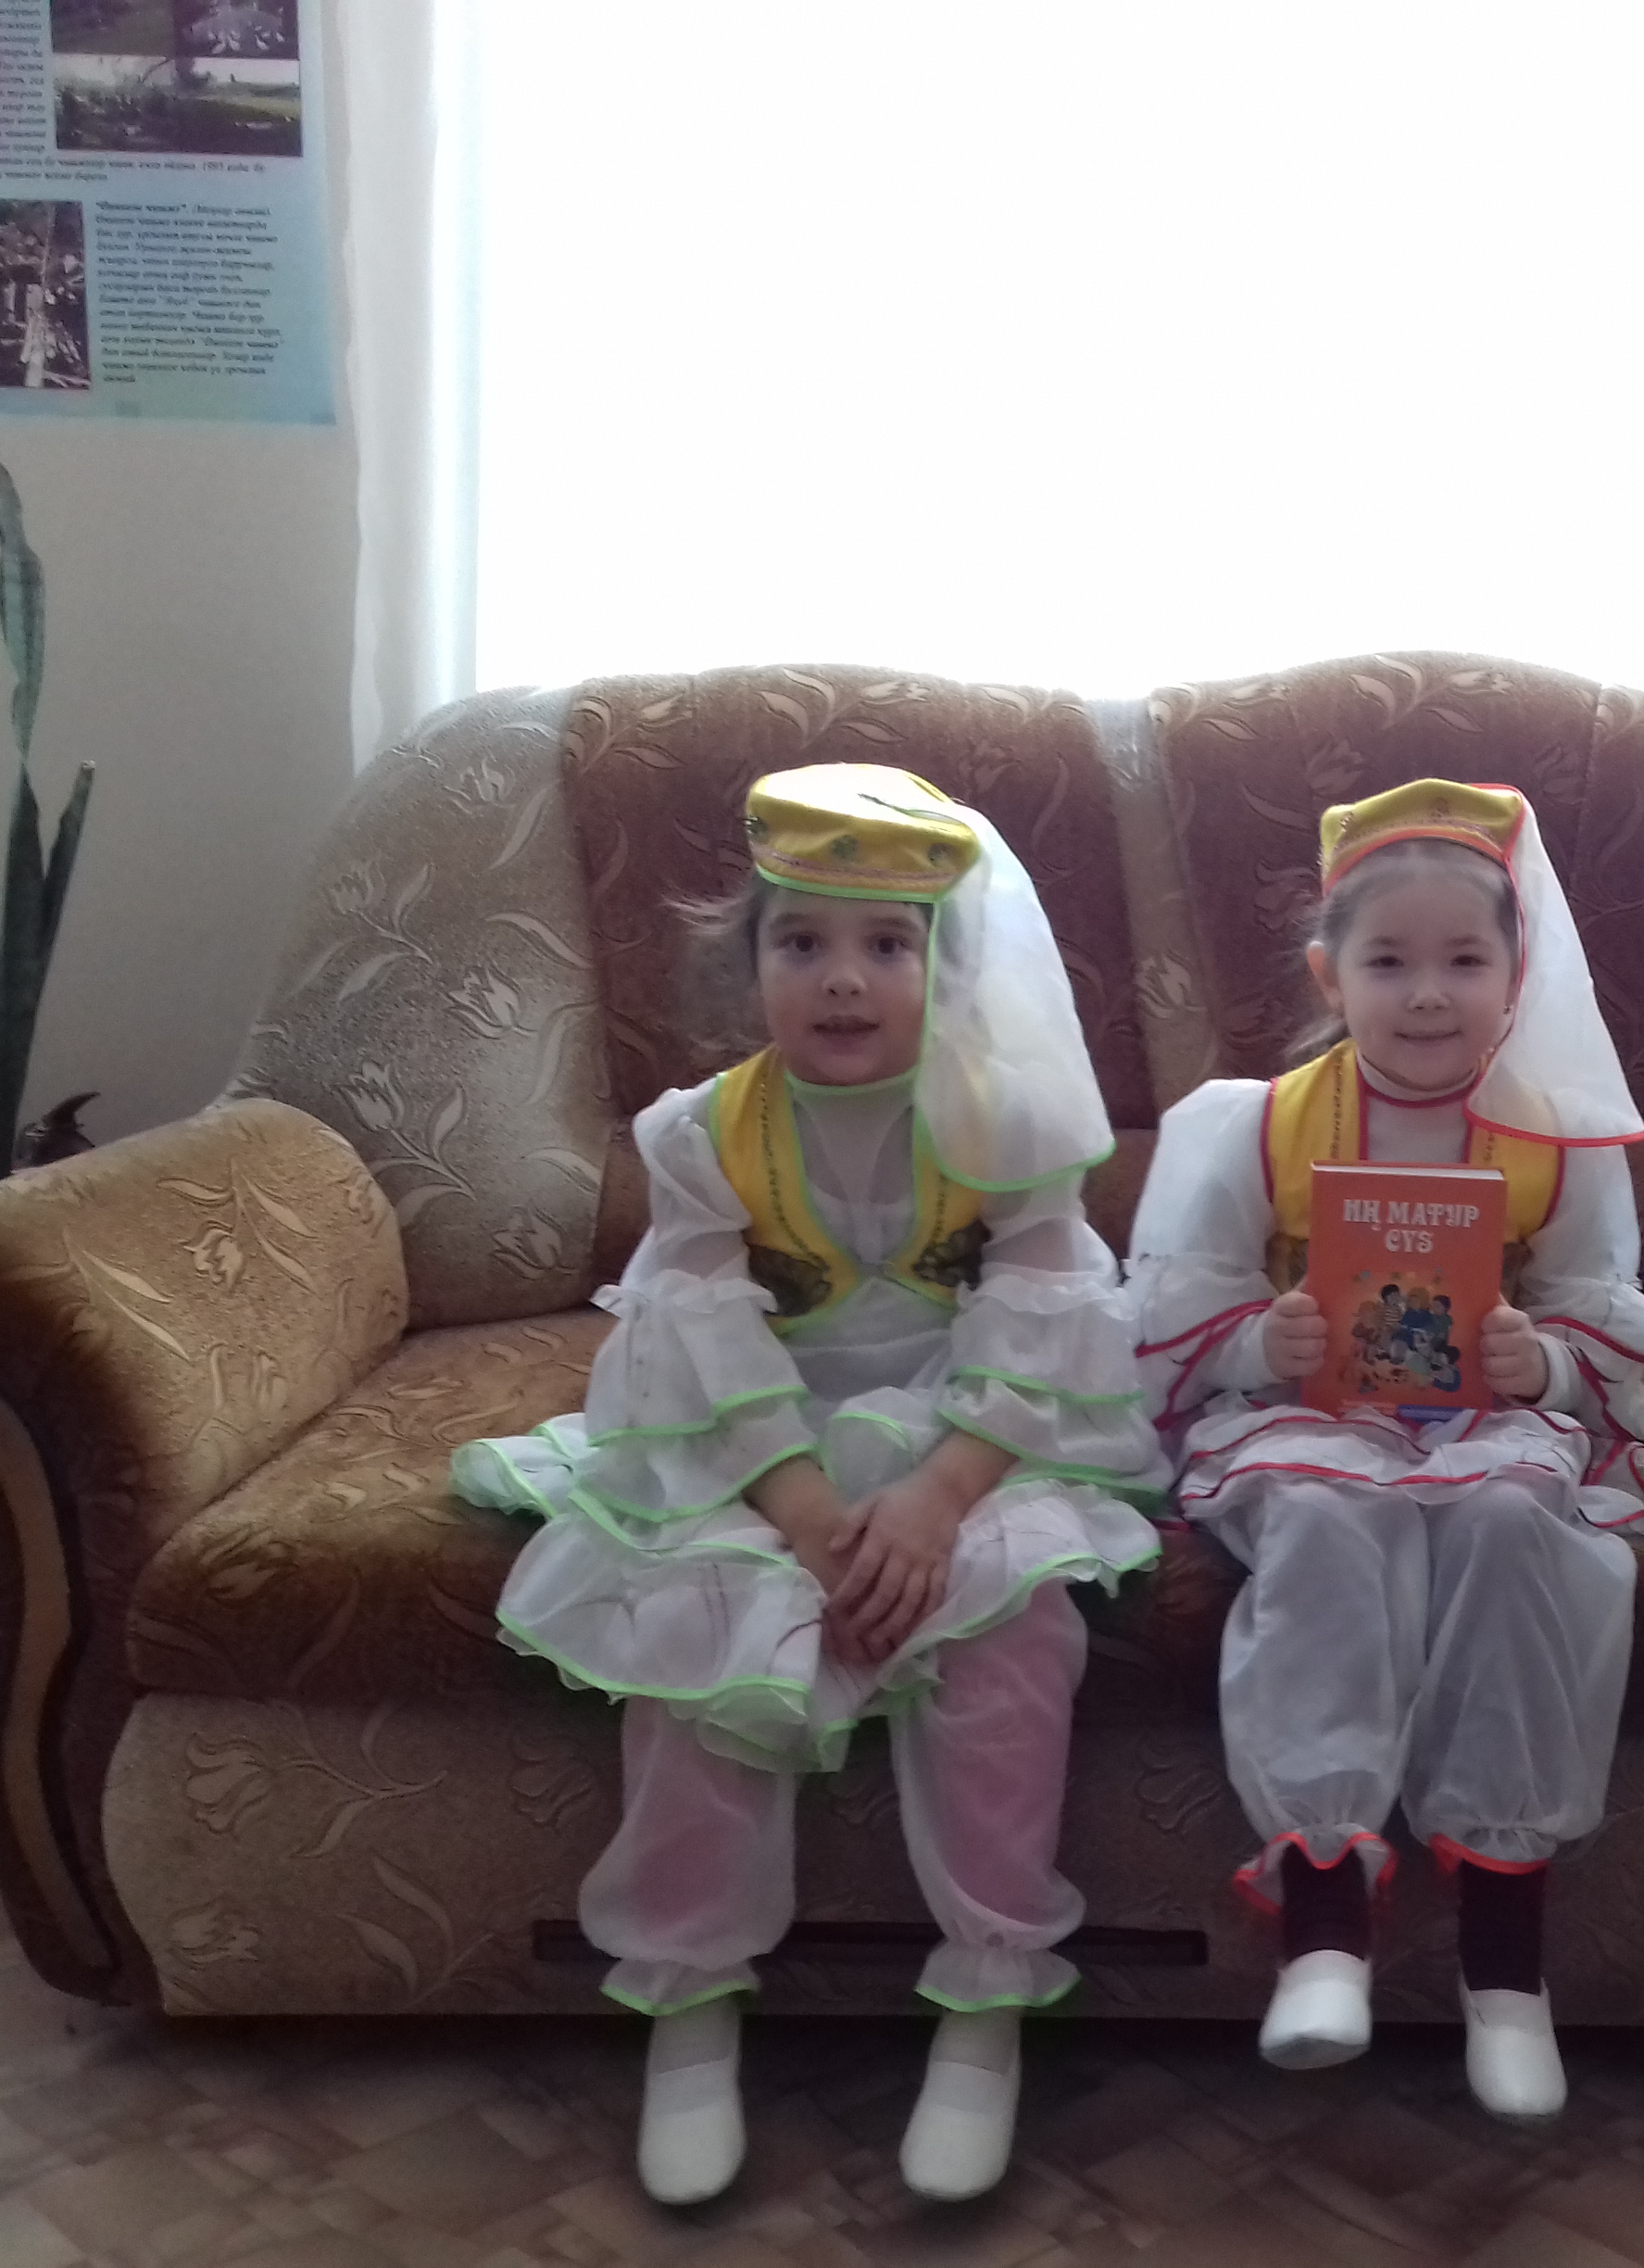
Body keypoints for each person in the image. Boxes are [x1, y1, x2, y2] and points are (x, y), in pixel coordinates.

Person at [452, 765, 1164, 2209]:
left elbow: (1040, 1327)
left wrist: (939, 1497)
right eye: (803, 943)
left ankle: (986, 1995)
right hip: (756, 1445)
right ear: (751, 963)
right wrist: (802, 1510)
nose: (843, 979)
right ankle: (691, 1999)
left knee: (1011, 1629)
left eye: (887, 945)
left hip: (972, 1441)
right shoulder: (702, 1134)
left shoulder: (1007, 1125)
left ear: (946, 971)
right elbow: (702, 1338)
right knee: (697, 1627)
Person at [1125, 778, 1644, 2123]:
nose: (1428, 996)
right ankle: (1323, 1922)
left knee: (1510, 1522)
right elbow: (1179, 1307)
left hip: (1487, 1424)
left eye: (1465, 961)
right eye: (1389, 962)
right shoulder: (1255, 1122)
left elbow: (1599, 1309)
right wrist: (1263, 1344)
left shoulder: (1559, 1137)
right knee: (1326, 1519)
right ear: (1330, 973)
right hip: (1315, 1422)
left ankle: (1505, 1956)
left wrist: (1544, 1362)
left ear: (1517, 975)